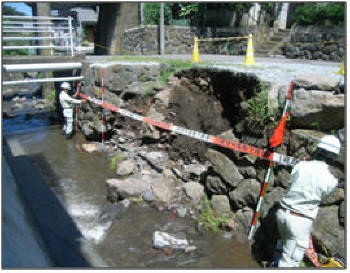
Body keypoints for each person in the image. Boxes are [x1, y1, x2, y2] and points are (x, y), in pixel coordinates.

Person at [273, 135, 341, 267]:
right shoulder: (331, 180)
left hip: (282, 214)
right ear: (333, 157)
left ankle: (272, 265)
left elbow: (292, 180)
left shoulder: (301, 165)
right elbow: (325, 192)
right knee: (289, 262)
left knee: (282, 246)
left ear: (318, 150)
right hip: (299, 222)